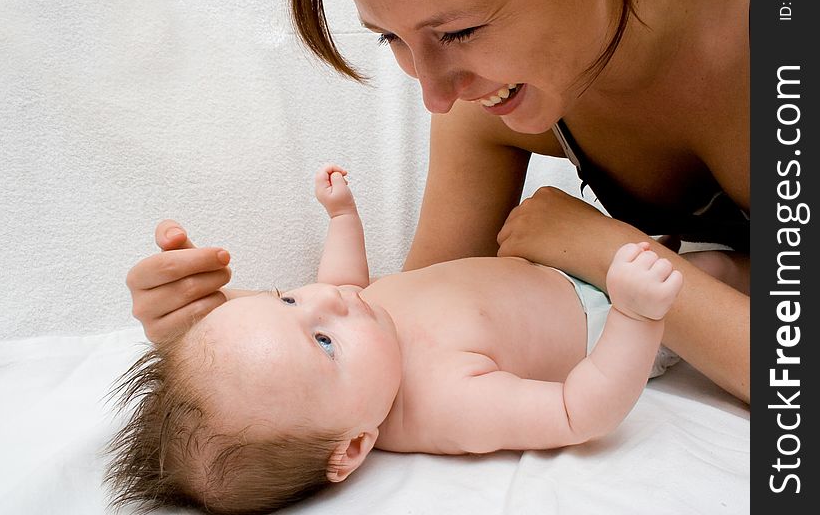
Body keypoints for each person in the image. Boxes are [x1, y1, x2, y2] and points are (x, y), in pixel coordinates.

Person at [126, 0, 749, 403]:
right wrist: (229, 329)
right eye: (390, 36)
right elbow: (411, 322)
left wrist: (600, 248)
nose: (435, 92)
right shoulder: (484, 101)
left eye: (459, 32)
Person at [108, 165, 683, 515]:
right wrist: (637, 318)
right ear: (355, 447)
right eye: (325, 343)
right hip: (605, 318)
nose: (324, 300)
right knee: (729, 276)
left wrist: (341, 218)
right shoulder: (442, 401)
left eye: (286, 298)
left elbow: (341, 281)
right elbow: (575, 411)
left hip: (557, 259)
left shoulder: (356, 324)